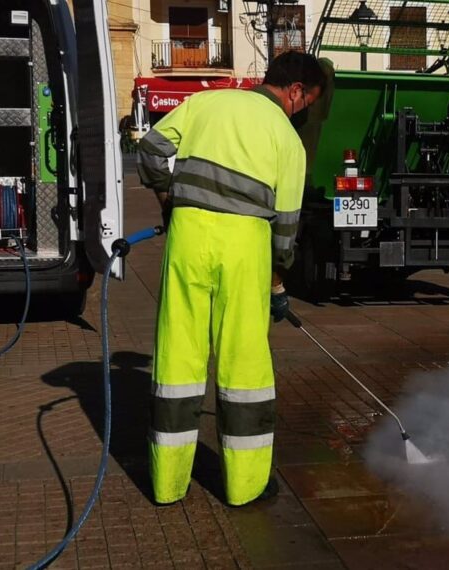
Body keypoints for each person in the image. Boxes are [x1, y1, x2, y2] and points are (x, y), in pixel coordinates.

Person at [136, 51, 326, 507]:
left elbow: (150, 149)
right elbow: (285, 226)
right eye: (308, 103)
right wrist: (277, 281)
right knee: (244, 368)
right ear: (295, 91)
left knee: (177, 360)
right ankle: (245, 488)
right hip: (247, 248)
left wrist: (169, 199)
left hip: (188, 237)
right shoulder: (287, 139)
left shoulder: (209, 103)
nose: (304, 112)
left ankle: (167, 485)